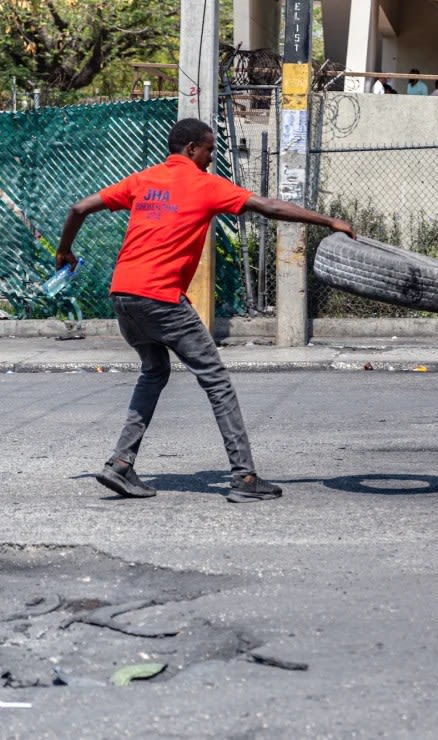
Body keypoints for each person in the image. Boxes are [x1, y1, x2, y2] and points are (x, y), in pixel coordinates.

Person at [56, 118, 355, 503]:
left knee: (154, 371)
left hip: (123, 295)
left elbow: (79, 207)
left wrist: (64, 251)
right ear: (191, 149)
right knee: (216, 381)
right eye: (210, 150)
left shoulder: (142, 180)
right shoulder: (205, 185)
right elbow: (267, 207)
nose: (211, 158)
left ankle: (120, 465)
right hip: (161, 298)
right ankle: (244, 478)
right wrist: (328, 220)